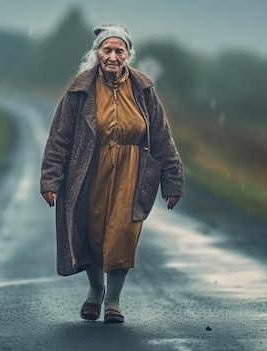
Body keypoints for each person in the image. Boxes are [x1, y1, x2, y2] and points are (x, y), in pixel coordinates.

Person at [40, 23, 184, 323]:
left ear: (128, 54)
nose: (113, 56)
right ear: (97, 53)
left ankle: (114, 302)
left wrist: (172, 180)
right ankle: (95, 292)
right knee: (92, 234)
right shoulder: (80, 89)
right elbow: (60, 137)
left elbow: (161, 136)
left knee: (122, 234)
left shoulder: (143, 89)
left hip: (133, 172)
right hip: (89, 169)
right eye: (107, 50)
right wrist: (50, 179)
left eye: (120, 50)